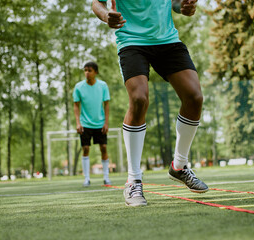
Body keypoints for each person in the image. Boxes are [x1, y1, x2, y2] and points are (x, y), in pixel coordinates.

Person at [92, 0, 208, 206]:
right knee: (139, 99)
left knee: (194, 97)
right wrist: (105, 15)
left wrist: (183, 7)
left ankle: (179, 166)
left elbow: (173, 3)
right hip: (132, 41)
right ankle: (133, 180)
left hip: (167, 40)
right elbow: (96, 3)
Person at [73, 61, 111, 187]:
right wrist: (78, 123)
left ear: (96, 72)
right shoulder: (78, 87)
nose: (87, 73)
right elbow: (76, 106)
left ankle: (106, 178)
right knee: (85, 149)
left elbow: (106, 104)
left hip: (100, 123)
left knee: (104, 148)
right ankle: (86, 179)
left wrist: (106, 122)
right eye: (85, 70)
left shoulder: (103, 85)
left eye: (89, 70)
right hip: (85, 124)